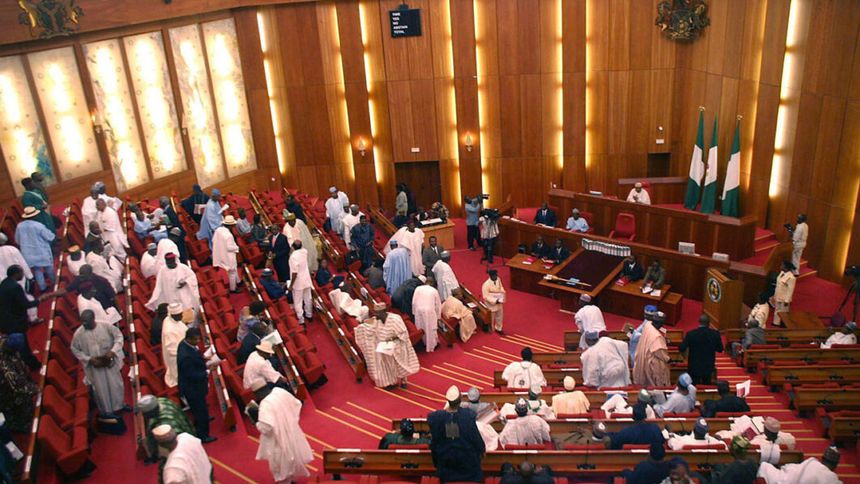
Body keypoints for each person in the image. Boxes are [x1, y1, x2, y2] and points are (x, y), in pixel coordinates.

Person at [71, 310, 126, 417]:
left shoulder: (105, 326)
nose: (84, 324)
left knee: (116, 385)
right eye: (83, 322)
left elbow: (119, 337)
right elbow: (75, 349)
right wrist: (88, 359)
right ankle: (107, 412)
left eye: (87, 322)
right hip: (94, 366)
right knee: (101, 390)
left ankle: (119, 406)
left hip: (109, 361)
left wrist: (113, 351)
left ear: (93, 319)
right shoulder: (78, 334)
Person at [353, 302, 419, 389]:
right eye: (375, 313)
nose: (376, 315)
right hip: (386, 347)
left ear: (384, 311)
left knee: (400, 364)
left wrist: (391, 340)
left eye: (378, 313)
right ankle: (392, 381)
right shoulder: (377, 320)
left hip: (398, 344)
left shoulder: (395, 319)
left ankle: (404, 381)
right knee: (389, 364)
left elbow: (403, 334)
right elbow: (369, 326)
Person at [427, 385, 485, 482]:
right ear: (461, 399)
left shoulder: (436, 418)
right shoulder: (468, 416)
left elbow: (435, 442)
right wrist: (482, 450)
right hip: (468, 467)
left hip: (446, 465)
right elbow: (476, 440)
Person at [0, 266, 49, 368]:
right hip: (15, 322)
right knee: (23, 346)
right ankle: (34, 365)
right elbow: (25, 304)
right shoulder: (15, 287)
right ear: (16, 273)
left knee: (19, 345)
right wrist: (39, 300)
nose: (23, 275)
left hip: (6, 320)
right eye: (21, 272)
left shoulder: (4, 283)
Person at [177, 328, 217, 443]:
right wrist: (208, 371)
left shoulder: (186, 345)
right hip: (193, 388)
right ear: (189, 339)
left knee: (200, 408)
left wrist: (204, 359)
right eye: (196, 339)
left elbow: (196, 355)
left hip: (197, 387)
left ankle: (202, 420)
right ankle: (203, 436)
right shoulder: (185, 356)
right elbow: (192, 375)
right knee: (199, 410)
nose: (198, 341)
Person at [138, 394, 195, 467]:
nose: (143, 415)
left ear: (150, 413)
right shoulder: (162, 401)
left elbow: (174, 448)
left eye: (144, 413)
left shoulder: (166, 425)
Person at [0, 334, 39, 432]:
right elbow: (17, 385)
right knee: (18, 414)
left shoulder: (6, 342)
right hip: (6, 393)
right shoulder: (3, 362)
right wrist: (36, 389)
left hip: (12, 386)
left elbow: (19, 363)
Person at [0, 234, 40, 324]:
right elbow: (22, 264)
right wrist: (30, 276)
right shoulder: (11, 249)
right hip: (18, 278)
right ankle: (33, 318)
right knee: (27, 297)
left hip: (4, 283)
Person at [14, 206, 55, 291]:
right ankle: (55, 282)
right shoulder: (39, 226)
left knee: (37, 270)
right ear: (34, 216)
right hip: (42, 252)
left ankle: (42, 287)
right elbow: (50, 237)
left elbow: (17, 240)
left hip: (28, 254)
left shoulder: (19, 226)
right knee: (49, 268)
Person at [758, 444, 841, 484]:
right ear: (836, 465)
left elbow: (795, 470)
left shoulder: (812, 463)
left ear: (822, 458)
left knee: (765, 466)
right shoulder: (833, 479)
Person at [679, 314, 723, 385]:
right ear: (709, 323)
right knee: (706, 386)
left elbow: (681, 348)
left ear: (699, 322)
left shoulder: (691, 334)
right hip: (708, 366)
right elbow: (720, 349)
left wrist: (685, 357)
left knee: (693, 386)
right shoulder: (715, 334)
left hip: (694, 366)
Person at [632, 311, 671, 387]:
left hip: (644, 354)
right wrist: (669, 359)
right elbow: (661, 354)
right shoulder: (656, 337)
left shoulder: (648, 325)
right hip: (651, 362)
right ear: (661, 324)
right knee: (654, 385)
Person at [162, 303, 188, 388]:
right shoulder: (169, 330)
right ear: (173, 315)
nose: (182, 316)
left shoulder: (170, 319)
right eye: (179, 315)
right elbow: (173, 350)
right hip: (177, 358)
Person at [412, 278, 442, 352]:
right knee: (431, 328)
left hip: (418, 309)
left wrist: (414, 312)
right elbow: (438, 305)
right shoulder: (434, 290)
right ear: (432, 284)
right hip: (429, 310)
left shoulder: (418, 288)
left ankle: (422, 344)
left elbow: (414, 301)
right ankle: (431, 346)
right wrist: (438, 317)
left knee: (420, 327)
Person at [212, 216, 240, 292]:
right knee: (232, 272)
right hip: (228, 256)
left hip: (221, 253)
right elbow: (229, 247)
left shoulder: (218, 230)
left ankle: (238, 281)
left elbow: (213, 240)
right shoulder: (229, 236)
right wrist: (237, 248)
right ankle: (233, 289)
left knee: (234, 270)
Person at [288, 240, 314, 322]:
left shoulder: (293, 257)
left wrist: (291, 285)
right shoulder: (304, 252)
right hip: (306, 280)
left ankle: (301, 319)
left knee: (298, 301)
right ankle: (309, 315)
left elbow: (294, 273)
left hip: (298, 283)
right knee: (308, 298)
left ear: (293, 247)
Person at [773, 261, 797, 326]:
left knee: (783, 311)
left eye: (782, 265)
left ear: (786, 268)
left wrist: (787, 300)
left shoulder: (791, 277)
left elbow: (790, 290)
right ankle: (776, 322)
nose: (781, 266)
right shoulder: (782, 273)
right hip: (778, 295)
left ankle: (783, 323)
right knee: (777, 309)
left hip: (784, 298)